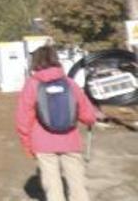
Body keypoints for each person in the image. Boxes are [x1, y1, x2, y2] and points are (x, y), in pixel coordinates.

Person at [16, 46, 96, 201]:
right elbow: (88, 114)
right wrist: (90, 119)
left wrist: (27, 145)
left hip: (43, 143)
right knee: (77, 185)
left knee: (52, 187)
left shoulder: (32, 85)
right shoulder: (70, 83)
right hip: (70, 141)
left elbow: (23, 119)